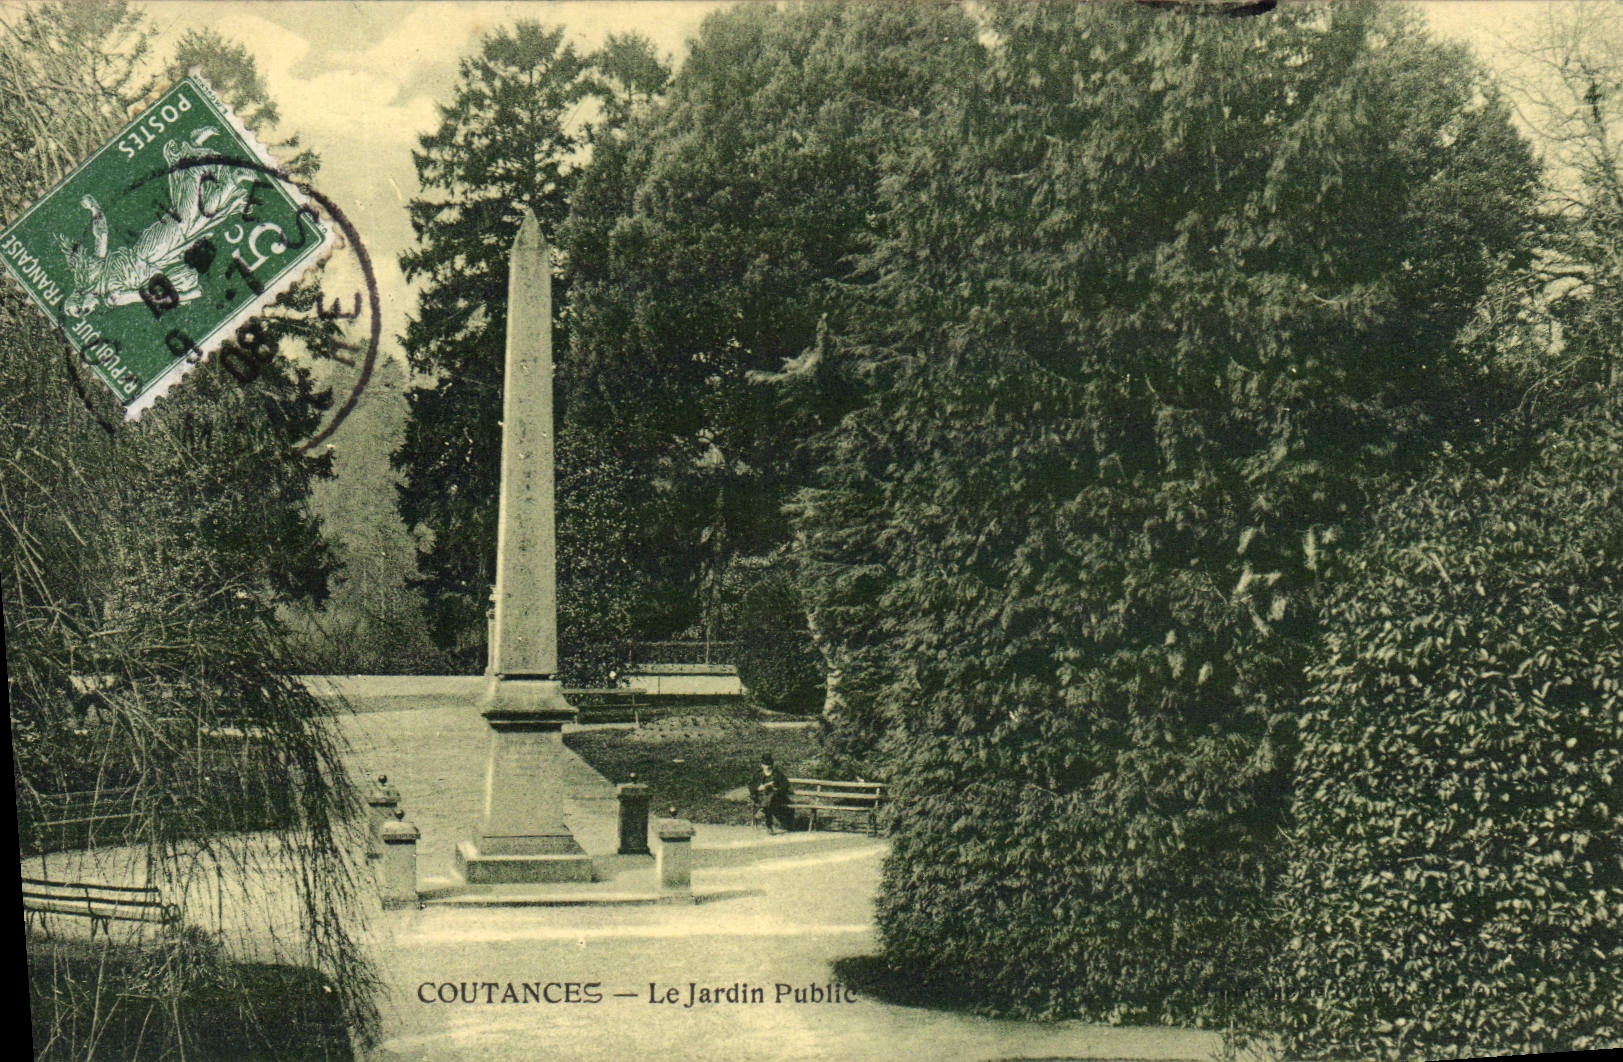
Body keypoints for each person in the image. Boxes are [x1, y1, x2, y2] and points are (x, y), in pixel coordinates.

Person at [750, 753, 794, 834]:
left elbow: (786, 785)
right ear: (762, 765)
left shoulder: (777, 774)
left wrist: (777, 789)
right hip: (761, 797)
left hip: (775, 797)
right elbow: (751, 786)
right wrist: (759, 788)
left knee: (772, 796)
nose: (768, 766)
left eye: (769, 764)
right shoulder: (758, 774)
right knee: (769, 801)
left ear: (772, 764)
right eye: (766, 764)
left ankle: (763, 811)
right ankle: (768, 825)